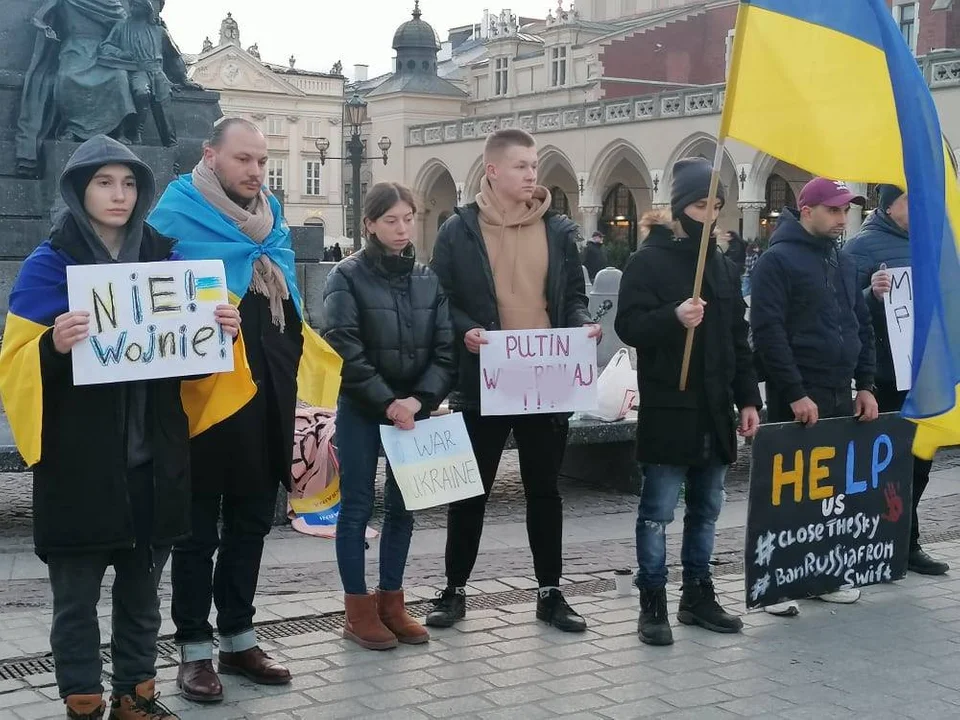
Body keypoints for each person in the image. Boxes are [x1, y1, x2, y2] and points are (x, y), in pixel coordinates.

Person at [0, 135, 240, 720]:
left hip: (153, 466)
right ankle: (82, 699)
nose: (119, 195)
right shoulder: (49, 264)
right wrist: (54, 347)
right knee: (74, 602)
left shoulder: (170, 259)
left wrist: (222, 331)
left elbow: (194, 355)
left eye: (129, 183)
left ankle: (138, 694)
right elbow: (14, 363)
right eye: (105, 183)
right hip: (78, 468)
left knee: (141, 599)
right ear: (80, 190)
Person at [149, 118, 341, 702]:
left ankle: (238, 637)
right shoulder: (173, 217)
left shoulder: (272, 220)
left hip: (269, 398)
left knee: (253, 524)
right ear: (210, 156)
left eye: (261, 161)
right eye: (243, 160)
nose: (255, 171)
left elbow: (290, 306)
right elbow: (151, 309)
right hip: (204, 405)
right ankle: (193, 650)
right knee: (195, 531)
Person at [427, 128, 601, 633]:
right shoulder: (457, 231)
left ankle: (551, 593)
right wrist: (467, 332)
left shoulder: (560, 229)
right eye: (522, 166)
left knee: (544, 490)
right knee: (471, 491)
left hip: (546, 378)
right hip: (485, 377)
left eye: (535, 166)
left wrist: (581, 323)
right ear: (493, 171)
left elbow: (570, 296)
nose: (532, 175)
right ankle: (454, 590)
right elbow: (442, 299)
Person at [614, 158, 761, 646]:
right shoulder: (648, 261)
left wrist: (747, 398)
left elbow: (738, 338)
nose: (710, 215)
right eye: (701, 205)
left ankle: (698, 593)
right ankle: (652, 598)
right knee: (657, 511)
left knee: (707, 509)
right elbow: (629, 327)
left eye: (716, 206)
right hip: (670, 406)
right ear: (680, 207)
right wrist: (673, 316)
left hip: (714, 407)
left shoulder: (719, 261)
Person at [322, 182, 456, 650]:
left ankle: (392, 602)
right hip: (363, 409)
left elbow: (445, 348)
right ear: (370, 225)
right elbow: (343, 344)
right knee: (357, 507)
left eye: (407, 219)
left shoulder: (426, 278)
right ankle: (357, 610)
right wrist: (387, 402)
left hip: (412, 412)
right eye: (391, 220)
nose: (401, 229)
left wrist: (418, 400)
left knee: (405, 509)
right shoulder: (346, 275)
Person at [750, 177, 879, 615]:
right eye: (835, 210)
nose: (843, 219)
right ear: (807, 211)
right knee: (786, 495)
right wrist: (795, 393)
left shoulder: (842, 262)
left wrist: (866, 385)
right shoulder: (776, 262)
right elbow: (768, 334)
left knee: (832, 493)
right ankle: (777, 584)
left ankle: (822, 574)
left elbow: (862, 325)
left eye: (847, 211)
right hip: (798, 394)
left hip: (840, 391)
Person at [842, 184, 949, 576]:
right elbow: (844, 309)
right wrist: (872, 293)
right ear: (889, 207)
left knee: (920, 462)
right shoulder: (861, 248)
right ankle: (890, 544)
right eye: (911, 201)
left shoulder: (931, 242)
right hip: (885, 376)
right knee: (888, 466)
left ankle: (905, 541)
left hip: (923, 373)